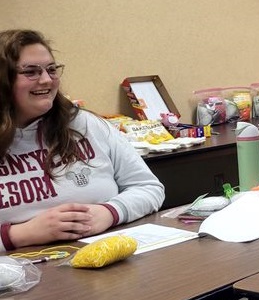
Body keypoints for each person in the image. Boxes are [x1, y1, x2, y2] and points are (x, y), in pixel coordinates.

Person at [0, 29, 165, 252]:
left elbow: (148, 187)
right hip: (20, 274)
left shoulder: (85, 124)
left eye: (51, 69)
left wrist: (111, 212)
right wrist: (18, 234)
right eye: (31, 72)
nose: (46, 80)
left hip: (106, 257)